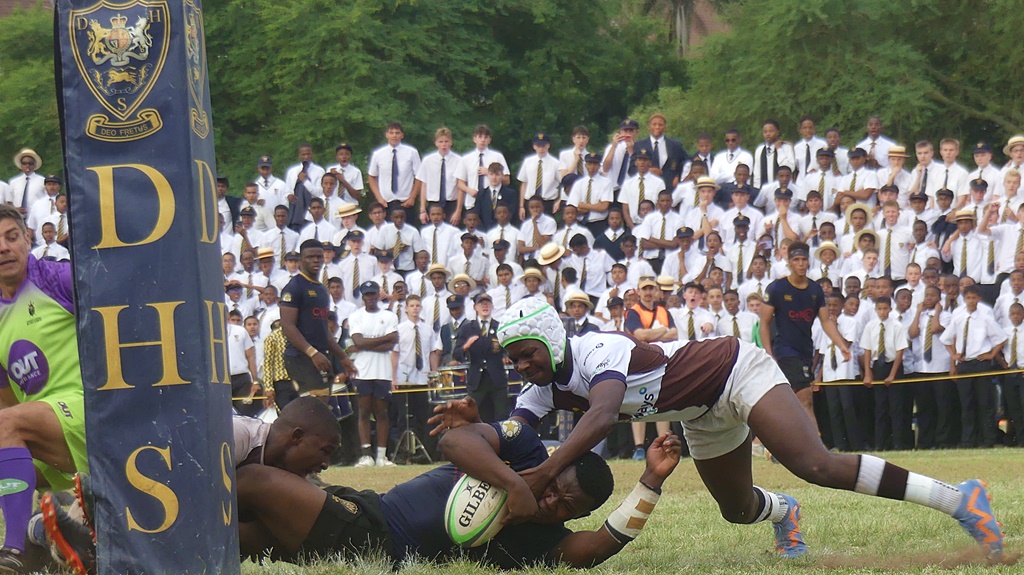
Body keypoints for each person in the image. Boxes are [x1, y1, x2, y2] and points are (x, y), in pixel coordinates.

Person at [478, 296, 1005, 561]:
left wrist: (544, 474)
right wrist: (479, 432)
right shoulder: (539, 390)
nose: (522, 367)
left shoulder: (597, 347)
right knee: (736, 511)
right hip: (700, 414)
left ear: (550, 338)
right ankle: (783, 511)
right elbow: (513, 431)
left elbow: (599, 415)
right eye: (514, 361)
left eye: (526, 355)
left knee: (814, 464)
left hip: (733, 369)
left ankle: (957, 498)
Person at [0, 204, 88, 571]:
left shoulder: (58, 278)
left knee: (9, 424)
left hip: (92, 410)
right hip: (50, 430)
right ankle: (47, 532)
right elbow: (6, 404)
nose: (3, 247)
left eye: (11, 237)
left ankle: (13, 549)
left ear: (27, 239)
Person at [760, 242, 851, 428]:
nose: (801, 264)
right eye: (796, 260)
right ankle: (816, 448)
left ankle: (768, 443)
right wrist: (768, 352)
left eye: (803, 260)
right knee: (805, 400)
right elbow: (765, 322)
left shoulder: (815, 290)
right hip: (786, 351)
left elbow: (825, 321)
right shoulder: (777, 288)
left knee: (791, 401)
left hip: (805, 351)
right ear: (790, 263)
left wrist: (841, 345)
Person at [279, 240, 357, 403]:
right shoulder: (294, 287)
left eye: (319, 257)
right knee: (315, 403)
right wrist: (312, 353)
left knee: (322, 404)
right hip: (300, 356)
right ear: (301, 260)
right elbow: (287, 326)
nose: (316, 260)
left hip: (321, 356)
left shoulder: (322, 290)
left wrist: (343, 357)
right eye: (310, 257)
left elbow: (323, 331)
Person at [347, 281, 399, 467]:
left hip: (382, 371)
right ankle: (366, 454)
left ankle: (381, 456)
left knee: (382, 412)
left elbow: (392, 343)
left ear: (378, 295)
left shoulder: (389, 315)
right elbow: (357, 341)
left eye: (373, 294)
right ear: (363, 296)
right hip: (362, 371)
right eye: (367, 295)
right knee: (363, 412)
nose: (370, 298)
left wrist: (366, 344)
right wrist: (380, 341)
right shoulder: (356, 316)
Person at [455, 293, 509, 423]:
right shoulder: (468, 328)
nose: (485, 306)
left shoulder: (500, 327)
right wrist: (466, 346)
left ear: (492, 306)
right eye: (481, 303)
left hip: (497, 379)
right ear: (475, 307)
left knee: (501, 417)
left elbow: (509, 348)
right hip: (477, 381)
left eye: (487, 303)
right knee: (475, 416)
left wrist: (507, 356)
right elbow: (456, 354)